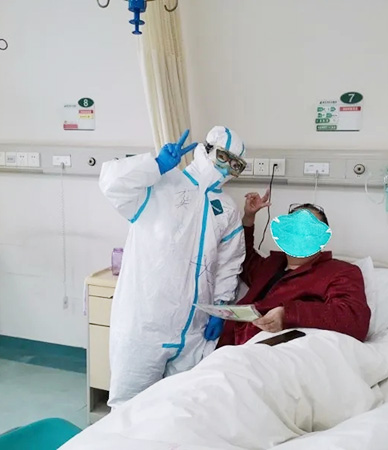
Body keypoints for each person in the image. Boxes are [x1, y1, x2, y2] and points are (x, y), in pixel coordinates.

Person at [99, 126, 248, 408]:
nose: (227, 168)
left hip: (194, 331)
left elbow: (229, 263)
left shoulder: (226, 208)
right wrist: (155, 165)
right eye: (223, 157)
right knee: (128, 411)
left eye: (236, 165)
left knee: (181, 410)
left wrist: (221, 306)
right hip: (144, 327)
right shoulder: (161, 186)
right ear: (205, 149)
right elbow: (112, 185)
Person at [217, 191, 370, 347]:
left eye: (307, 231)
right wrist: (249, 218)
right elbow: (242, 258)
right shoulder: (270, 265)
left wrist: (287, 314)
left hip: (276, 348)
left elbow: (354, 319)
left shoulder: (339, 271)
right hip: (231, 347)